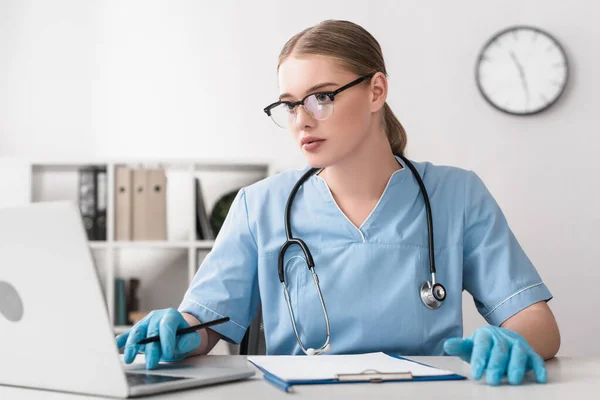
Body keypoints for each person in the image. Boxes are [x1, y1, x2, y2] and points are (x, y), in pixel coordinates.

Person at [116, 19, 560, 386]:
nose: (302, 121)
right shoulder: (260, 205)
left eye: (321, 98)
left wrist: (515, 341)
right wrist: (176, 333)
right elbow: (206, 324)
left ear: (375, 91)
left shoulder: (458, 195)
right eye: (289, 105)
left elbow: (536, 322)